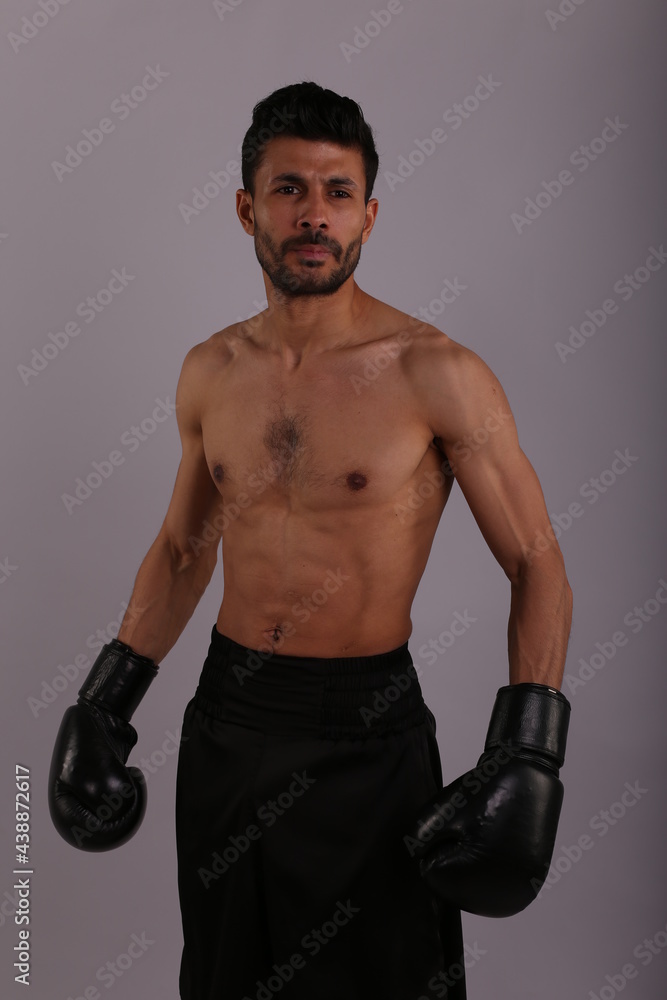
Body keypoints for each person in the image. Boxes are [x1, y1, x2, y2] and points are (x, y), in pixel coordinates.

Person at [49, 81, 573, 999]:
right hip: (228, 721)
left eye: (337, 192)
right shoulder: (211, 369)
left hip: (366, 733)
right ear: (247, 207)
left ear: (369, 213)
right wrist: (104, 703)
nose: (314, 215)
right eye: (289, 189)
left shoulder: (435, 372)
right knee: (224, 979)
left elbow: (535, 561)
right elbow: (181, 552)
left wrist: (528, 749)